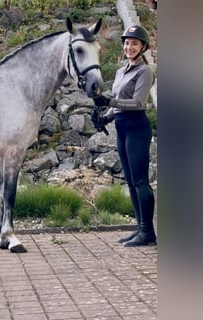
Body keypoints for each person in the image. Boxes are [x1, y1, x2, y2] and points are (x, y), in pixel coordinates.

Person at [92, 25, 156, 247]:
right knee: (130, 181)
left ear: (143, 47)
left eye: (134, 43)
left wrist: (109, 101)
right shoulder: (121, 71)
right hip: (122, 128)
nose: (129, 46)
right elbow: (117, 104)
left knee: (140, 181)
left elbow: (138, 103)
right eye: (127, 43)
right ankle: (140, 228)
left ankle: (148, 232)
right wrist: (105, 118)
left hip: (137, 128)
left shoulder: (144, 72)